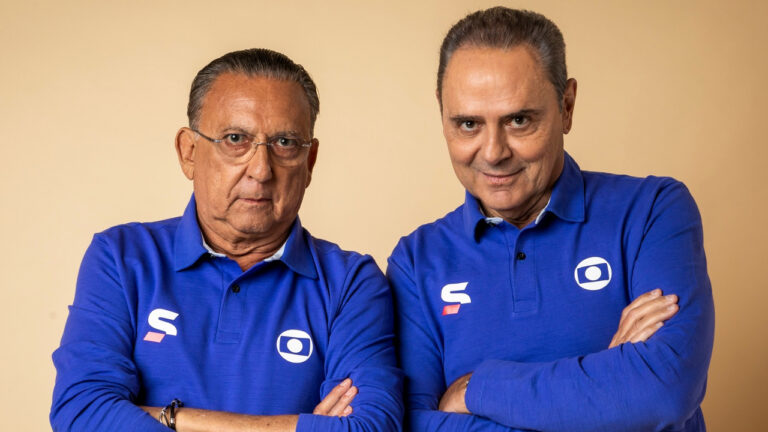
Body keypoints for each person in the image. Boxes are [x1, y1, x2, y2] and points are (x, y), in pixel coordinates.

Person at [387, 7, 714, 431]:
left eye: (519, 120)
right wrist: (606, 382)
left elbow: (663, 392)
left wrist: (474, 390)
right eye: (468, 124)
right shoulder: (416, 262)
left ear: (567, 105)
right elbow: (414, 425)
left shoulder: (652, 211)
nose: (493, 152)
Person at [51, 48, 402, 432]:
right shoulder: (122, 258)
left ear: (310, 162)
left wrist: (167, 417)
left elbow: (370, 427)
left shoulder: (351, 282)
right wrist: (301, 426)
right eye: (236, 139)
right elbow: (82, 412)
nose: (261, 170)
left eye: (285, 143)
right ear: (188, 152)